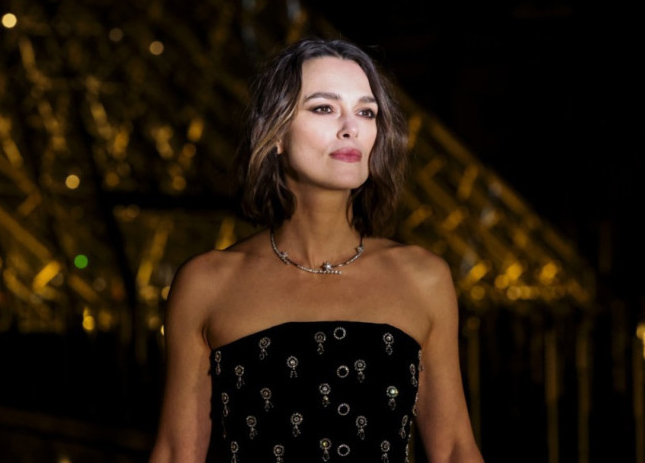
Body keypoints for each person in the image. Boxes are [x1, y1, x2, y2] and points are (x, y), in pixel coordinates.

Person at [149, 38, 483, 463]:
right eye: (324, 108)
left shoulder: (423, 277)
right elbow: (176, 453)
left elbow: (454, 449)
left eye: (366, 112)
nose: (351, 128)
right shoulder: (207, 282)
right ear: (275, 134)